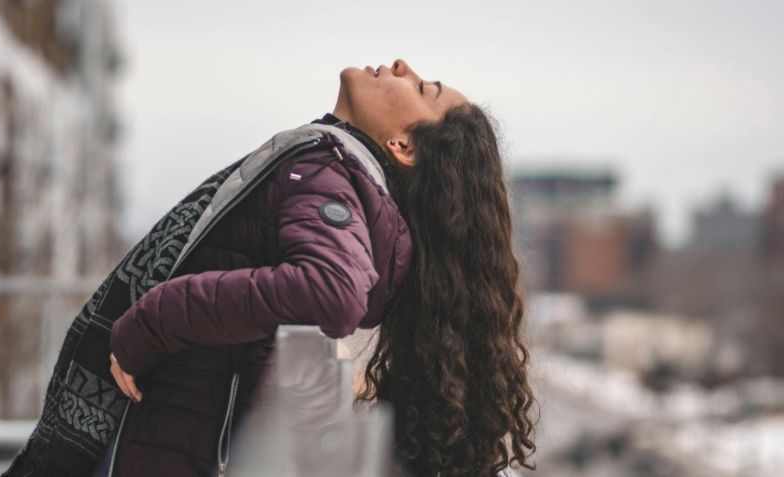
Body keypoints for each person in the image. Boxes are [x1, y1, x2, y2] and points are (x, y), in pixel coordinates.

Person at [100, 58, 536, 476]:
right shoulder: (339, 173)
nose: (403, 65)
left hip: (168, 445)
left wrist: (153, 317)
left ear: (402, 145)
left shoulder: (329, 170)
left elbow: (333, 290)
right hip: (179, 441)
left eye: (423, 89)